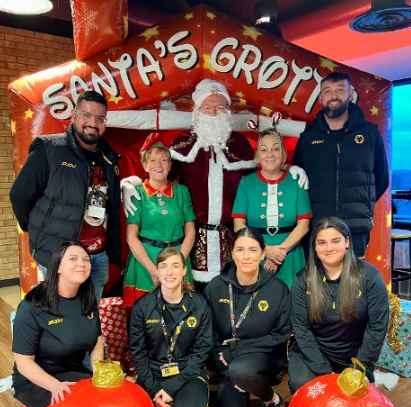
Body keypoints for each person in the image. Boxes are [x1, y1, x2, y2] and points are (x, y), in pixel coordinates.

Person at [122, 78, 308, 285]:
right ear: (197, 110)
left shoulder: (239, 145)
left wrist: (290, 169)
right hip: (191, 239)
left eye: (220, 107)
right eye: (207, 107)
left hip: (232, 237)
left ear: (228, 111)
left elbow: (266, 170)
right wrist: (131, 182)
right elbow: (159, 174)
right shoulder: (182, 144)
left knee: (231, 292)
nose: (213, 112)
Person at [10, 90, 121, 300]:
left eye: (100, 118)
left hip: (96, 257)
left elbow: (112, 208)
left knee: (90, 314)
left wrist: (112, 252)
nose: (93, 123)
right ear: (74, 116)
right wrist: (37, 231)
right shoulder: (49, 149)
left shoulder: (110, 157)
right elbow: (19, 195)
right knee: (58, 314)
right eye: (86, 115)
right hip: (58, 255)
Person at [204, 227, 290, 407]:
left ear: (262, 254)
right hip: (226, 359)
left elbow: (281, 334)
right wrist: (220, 357)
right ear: (232, 253)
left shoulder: (277, 289)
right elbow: (208, 331)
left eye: (253, 250)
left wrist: (239, 353)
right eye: (240, 249)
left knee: (241, 370)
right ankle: (231, 383)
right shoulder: (216, 287)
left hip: (261, 357)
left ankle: (272, 401)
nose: (246, 256)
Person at [293, 71, 389, 257]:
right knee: (316, 276)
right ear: (321, 98)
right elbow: (298, 179)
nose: (333, 95)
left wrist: (359, 205)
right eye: (327, 91)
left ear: (350, 94)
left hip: (355, 230)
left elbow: (382, 178)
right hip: (317, 228)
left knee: (353, 276)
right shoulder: (308, 137)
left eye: (339, 90)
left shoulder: (369, 133)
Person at [288, 217, 389, 392]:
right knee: (307, 388)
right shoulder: (302, 279)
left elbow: (377, 326)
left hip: (355, 356)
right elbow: (301, 328)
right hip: (313, 354)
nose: (329, 248)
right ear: (314, 247)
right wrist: (324, 372)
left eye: (335, 241)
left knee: (352, 398)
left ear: (347, 242)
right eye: (322, 242)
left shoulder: (369, 276)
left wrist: (360, 366)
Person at [129, 247, 212, 407]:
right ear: (157, 271)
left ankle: (180, 403)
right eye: (164, 266)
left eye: (176, 266)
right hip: (153, 374)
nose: (170, 271)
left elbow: (202, 350)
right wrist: (154, 389)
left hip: (188, 372)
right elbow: (138, 353)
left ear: (184, 270)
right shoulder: (142, 307)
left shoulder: (199, 305)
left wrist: (170, 389)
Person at [12, 242, 104, 407]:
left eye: (86, 259)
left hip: (72, 371)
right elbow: (23, 362)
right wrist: (55, 386)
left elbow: (97, 342)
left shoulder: (88, 299)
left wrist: (99, 375)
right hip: (37, 378)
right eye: (73, 259)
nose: (81, 263)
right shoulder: (32, 305)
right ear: (58, 267)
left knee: (102, 404)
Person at [232, 128, 312, 288]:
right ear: (257, 155)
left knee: (293, 299)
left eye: (276, 149)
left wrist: (280, 253)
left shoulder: (297, 181)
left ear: (283, 154)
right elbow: (238, 225)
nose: (270, 154)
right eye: (264, 150)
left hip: (291, 256)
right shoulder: (246, 183)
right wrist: (266, 251)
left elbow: (304, 225)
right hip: (255, 255)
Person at [123, 135, 196, 308]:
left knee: (180, 312)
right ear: (145, 165)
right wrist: (153, 270)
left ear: (170, 165)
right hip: (146, 261)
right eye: (153, 160)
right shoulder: (137, 193)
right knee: (147, 315)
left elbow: (190, 232)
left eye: (164, 160)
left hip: (178, 256)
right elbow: (131, 237)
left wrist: (178, 264)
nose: (159, 165)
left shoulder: (182, 192)